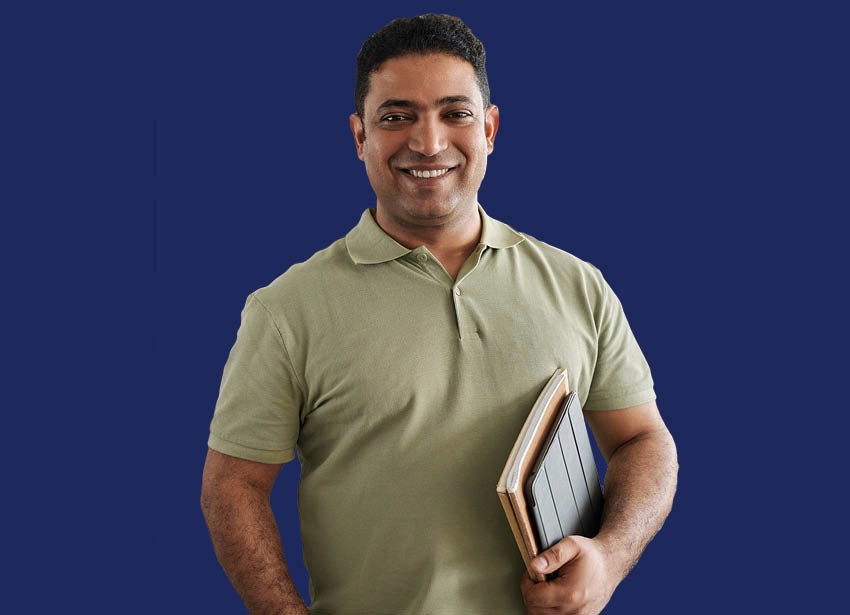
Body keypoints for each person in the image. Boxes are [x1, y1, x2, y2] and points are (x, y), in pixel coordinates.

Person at [201, 13, 678, 615]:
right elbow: (233, 485)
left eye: (455, 113)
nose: (428, 143)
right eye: (396, 117)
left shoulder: (579, 285)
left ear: (490, 128)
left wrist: (609, 557)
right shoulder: (285, 310)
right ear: (358, 136)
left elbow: (642, 439)